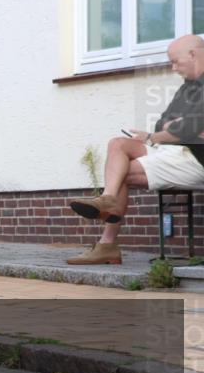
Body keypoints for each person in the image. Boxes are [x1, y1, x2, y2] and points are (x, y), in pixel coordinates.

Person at [66, 35, 204, 265]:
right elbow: (164, 124)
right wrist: (175, 129)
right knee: (117, 143)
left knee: (122, 174)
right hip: (174, 151)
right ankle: (108, 199)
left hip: (197, 158)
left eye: (176, 61)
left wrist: (172, 130)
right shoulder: (187, 89)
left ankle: (107, 244)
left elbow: (186, 127)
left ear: (193, 54)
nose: (173, 67)